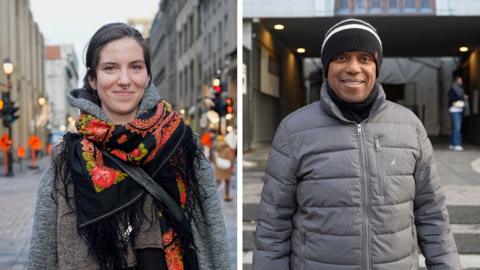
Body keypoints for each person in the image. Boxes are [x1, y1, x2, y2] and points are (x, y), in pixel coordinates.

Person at [253, 18, 460, 270]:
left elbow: (433, 215)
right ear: (327, 66)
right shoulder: (293, 131)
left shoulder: (409, 127)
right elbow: (273, 227)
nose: (353, 68)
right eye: (341, 57)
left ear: (376, 66)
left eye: (364, 58)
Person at [28, 23, 230, 270]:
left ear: (147, 76)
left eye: (135, 67)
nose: (124, 80)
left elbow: (212, 236)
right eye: (110, 68)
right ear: (93, 78)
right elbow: (43, 255)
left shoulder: (182, 143)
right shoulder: (66, 158)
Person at [448, 73, 468, 151]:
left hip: (458, 109)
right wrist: (463, 97)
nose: (462, 81)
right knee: (457, 127)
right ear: (457, 81)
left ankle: (452, 144)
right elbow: (452, 98)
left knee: (454, 127)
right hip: (454, 110)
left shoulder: (460, 88)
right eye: (460, 80)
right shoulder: (453, 88)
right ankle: (456, 144)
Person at [212, 135, 235, 201]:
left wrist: (216, 164)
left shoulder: (216, 148)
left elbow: (213, 158)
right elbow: (231, 158)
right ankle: (227, 196)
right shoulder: (227, 148)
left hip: (219, 167)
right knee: (227, 181)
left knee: (217, 181)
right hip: (226, 168)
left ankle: (214, 195)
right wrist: (231, 164)